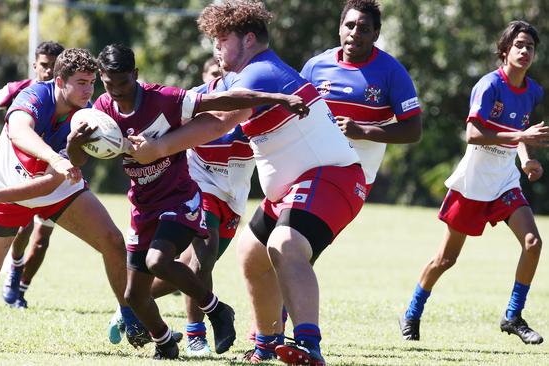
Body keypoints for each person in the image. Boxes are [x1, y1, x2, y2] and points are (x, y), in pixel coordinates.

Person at [128, 1, 366, 364]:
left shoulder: (259, 72)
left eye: (222, 39)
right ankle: (267, 345)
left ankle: (308, 346)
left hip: (334, 177)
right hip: (294, 187)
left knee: (285, 244)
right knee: (252, 254)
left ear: (249, 38)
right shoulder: (244, 76)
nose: (216, 49)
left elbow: (217, 122)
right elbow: (196, 106)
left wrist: (157, 147)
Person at [76, 43, 308, 360]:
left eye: (123, 83)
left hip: (180, 198)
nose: (117, 92)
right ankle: (166, 343)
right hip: (143, 206)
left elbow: (221, 101)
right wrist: (77, 143)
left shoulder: (164, 99)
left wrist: (278, 98)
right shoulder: (101, 110)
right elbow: (76, 159)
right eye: (109, 84)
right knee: (134, 295)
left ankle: (216, 311)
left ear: (136, 75)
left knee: (159, 261)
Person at [0, 48, 130, 349]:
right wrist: (52, 159)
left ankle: (130, 317)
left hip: (48, 190)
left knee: (112, 240)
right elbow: (19, 132)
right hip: (4, 189)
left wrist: (71, 156)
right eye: (82, 82)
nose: (89, 90)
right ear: (60, 81)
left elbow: (52, 182)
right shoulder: (34, 96)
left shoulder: (87, 115)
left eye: (92, 82)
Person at [399, 20, 547, 345]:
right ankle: (411, 311)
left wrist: (525, 160)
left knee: (533, 242)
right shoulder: (489, 85)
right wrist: (521, 136)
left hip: (506, 180)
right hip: (474, 183)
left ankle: (513, 315)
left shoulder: (533, 90)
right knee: (446, 260)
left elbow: (518, 127)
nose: (524, 51)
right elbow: (473, 134)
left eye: (530, 47)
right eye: (519, 45)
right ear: (505, 50)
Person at [300, 0, 421, 195]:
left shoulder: (392, 72)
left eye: (364, 29)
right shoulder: (315, 66)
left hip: (355, 175)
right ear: (340, 28)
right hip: (309, 166)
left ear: (376, 34)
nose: (355, 32)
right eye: (349, 25)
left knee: (303, 223)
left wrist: (362, 131)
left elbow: (413, 131)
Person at [0, 40, 65, 309]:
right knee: (23, 229)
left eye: (54, 66)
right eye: (44, 66)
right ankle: (16, 269)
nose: (49, 71)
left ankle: (20, 290)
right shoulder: (23, 90)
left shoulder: (70, 98)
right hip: (22, 176)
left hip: (54, 176)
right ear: (35, 65)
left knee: (41, 241)